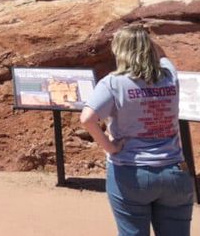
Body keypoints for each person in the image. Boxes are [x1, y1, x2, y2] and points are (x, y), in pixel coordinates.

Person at [80, 25, 193, 236]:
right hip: (174, 170)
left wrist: (110, 147)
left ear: (120, 51)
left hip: (131, 171)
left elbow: (87, 119)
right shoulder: (170, 75)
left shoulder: (114, 83)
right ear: (148, 47)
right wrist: (145, 39)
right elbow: (163, 55)